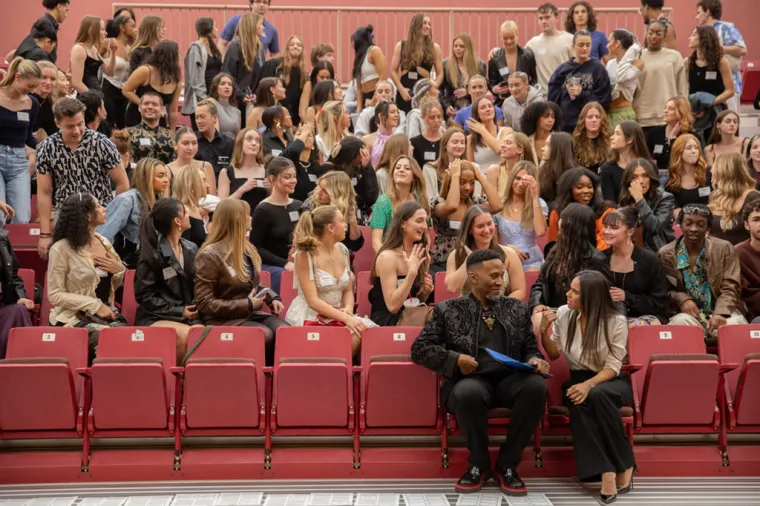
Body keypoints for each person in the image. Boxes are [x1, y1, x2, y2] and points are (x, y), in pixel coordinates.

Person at [412, 248, 549, 495]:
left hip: (510, 380)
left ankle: (508, 464)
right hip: (471, 380)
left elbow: (531, 347)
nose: (500, 281)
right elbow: (420, 349)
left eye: (502, 275)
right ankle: (479, 463)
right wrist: (455, 360)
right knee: (467, 393)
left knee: (537, 386)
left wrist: (535, 360)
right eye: (494, 276)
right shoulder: (448, 310)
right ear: (473, 278)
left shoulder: (517, 308)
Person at [540, 270, 634, 503]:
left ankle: (619, 466)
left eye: (574, 291)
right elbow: (553, 354)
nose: (567, 294)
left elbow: (613, 367)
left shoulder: (616, 321)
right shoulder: (564, 313)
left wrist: (588, 385)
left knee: (597, 395)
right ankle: (609, 470)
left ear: (591, 297)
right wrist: (543, 330)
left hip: (610, 381)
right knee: (577, 398)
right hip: (577, 379)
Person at [195, 199, 288, 365]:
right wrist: (247, 304)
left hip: (247, 313)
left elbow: (249, 284)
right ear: (236, 220)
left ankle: (274, 381)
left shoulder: (246, 249)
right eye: (247, 215)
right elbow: (204, 303)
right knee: (263, 335)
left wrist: (271, 297)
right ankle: (256, 379)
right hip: (222, 318)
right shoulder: (210, 255)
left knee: (285, 332)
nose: (251, 218)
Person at [35, 97, 130, 260]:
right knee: (68, 263)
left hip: (99, 212)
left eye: (80, 124)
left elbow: (122, 183)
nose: (77, 131)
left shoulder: (102, 144)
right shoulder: (46, 148)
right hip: (66, 213)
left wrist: (109, 212)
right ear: (57, 123)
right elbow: (44, 192)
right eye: (70, 126)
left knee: (99, 264)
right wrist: (44, 234)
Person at [47, 193, 126, 361]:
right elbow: (54, 295)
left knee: (130, 336)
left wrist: (119, 270)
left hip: (106, 313)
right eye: (98, 206)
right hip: (72, 317)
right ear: (88, 215)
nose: (104, 209)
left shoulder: (103, 241)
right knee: (107, 337)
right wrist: (93, 304)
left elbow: (113, 284)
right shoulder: (60, 249)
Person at [286, 206, 376, 351]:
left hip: (339, 313)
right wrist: (345, 318)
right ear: (331, 228)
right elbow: (313, 301)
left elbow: (347, 290)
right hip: (312, 314)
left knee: (367, 333)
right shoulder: (305, 255)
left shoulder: (342, 249)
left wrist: (347, 309)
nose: (345, 225)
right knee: (353, 336)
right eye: (342, 221)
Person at [659, 204, 747, 341]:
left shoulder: (724, 248)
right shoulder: (666, 254)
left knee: (734, 328)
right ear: (679, 225)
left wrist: (721, 313)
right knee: (679, 324)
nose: (693, 229)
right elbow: (664, 289)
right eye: (688, 224)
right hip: (689, 316)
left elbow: (731, 286)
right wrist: (682, 299)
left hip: (724, 312)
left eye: (700, 224)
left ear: (708, 228)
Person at [135, 198, 204, 363]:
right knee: (186, 335)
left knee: (202, 332)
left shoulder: (191, 247)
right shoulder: (152, 253)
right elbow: (144, 296)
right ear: (177, 221)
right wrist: (179, 310)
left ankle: (191, 379)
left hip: (186, 314)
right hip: (155, 316)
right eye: (186, 212)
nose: (190, 216)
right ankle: (177, 380)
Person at [530, 203, 607, 334]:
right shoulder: (554, 252)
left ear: (574, 231)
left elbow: (595, 299)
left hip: (578, 313)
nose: (559, 234)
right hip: (551, 309)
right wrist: (537, 303)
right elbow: (540, 283)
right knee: (537, 318)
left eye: (563, 230)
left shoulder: (597, 260)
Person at [369, 201, 434, 326]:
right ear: (403, 224)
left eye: (426, 221)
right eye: (419, 221)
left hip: (413, 315)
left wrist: (425, 292)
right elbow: (393, 306)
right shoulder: (387, 257)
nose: (425, 226)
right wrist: (412, 273)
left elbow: (415, 300)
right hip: (388, 319)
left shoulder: (422, 254)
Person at [96, 158, 169, 268]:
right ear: (146, 177)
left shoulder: (161, 203)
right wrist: (114, 261)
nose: (166, 180)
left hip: (153, 262)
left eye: (166, 175)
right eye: (160, 176)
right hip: (130, 263)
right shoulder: (128, 200)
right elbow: (104, 233)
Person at [430, 160, 501, 275]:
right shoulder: (438, 203)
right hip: (444, 262)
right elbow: (452, 206)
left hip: (473, 260)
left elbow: (497, 206)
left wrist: (480, 177)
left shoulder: (475, 203)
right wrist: (455, 175)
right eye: (462, 182)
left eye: (472, 183)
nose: (468, 187)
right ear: (451, 181)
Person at [601, 207, 669, 325]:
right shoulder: (600, 259)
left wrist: (626, 297)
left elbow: (659, 304)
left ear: (630, 231)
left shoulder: (649, 260)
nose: (606, 231)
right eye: (605, 226)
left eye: (613, 228)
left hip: (644, 316)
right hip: (609, 316)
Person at [445, 204, 525, 299]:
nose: (487, 230)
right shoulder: (455, 255)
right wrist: (469, 260)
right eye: (480, 226)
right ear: (470, 230)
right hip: (468, 309)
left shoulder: (509, 254)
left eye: (489, 223)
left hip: (499, 309)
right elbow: (452, 288)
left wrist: (500, 308)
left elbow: (519, 290)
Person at [250, 157, 301, 294]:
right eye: (287, 177)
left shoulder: (298, 205)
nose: (293, 181)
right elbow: (255, 248)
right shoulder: (263, 209)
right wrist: (284, 263)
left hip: (297, 261)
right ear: (272, 179)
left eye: (294, 176)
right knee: (286, 274)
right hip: (273, 265)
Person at [0, 58, 40, 226]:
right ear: (18, 76)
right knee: (0, 216)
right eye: (29, 86)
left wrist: (43, 147)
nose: (31, 90)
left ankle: (13, 253)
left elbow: (28, 137)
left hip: (18, 161)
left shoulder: (32, 103)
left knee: (21, 219)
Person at [548, 30, 611, 134]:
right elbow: (552, 100)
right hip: (566, 128)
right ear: (573, 46)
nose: (585, 48)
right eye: (581, 45)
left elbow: (604, 102)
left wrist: (582, 94)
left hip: (589, 128)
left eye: (588, 45)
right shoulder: (562, 70)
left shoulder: (598, 69)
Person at [634, 20, 687, 131]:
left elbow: (682, 89)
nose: (654, 36)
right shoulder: (637, 57)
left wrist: (683, 113)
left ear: (664, 36)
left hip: (668, 118)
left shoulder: (675, 56)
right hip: (641, 118)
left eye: (658, 33)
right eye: (650, 32)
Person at [494, 161, 548, 271]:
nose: (520, 184)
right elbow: (493, 243)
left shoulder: (538, 203)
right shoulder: (500, 205)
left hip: (533, 262)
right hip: (506, 260)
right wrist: (506, 249)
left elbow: (541, 231)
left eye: (525, 180)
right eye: (517, 178)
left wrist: (534, 197)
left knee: (533, 271)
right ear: (511, 179)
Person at [695, 0, 747, 113]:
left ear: (707, 12)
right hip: (708, 88)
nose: (696, 17)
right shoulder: (700, 31)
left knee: (728, 124)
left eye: (698, 13)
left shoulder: (726, 27)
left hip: (727, 87)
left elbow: (742, 49)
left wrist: (717, 48)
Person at [370, 155, 429, 251]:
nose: (401, 170)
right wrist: (387, 259)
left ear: (414, 176)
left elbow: (426, 234)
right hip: (389, 255)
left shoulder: (420, 201)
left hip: (414, 255)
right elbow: (376, 242)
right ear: (393, 175)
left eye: (407, 168)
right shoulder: (383, 202)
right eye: (398, 168)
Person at [618, 159, 675, 252]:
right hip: (630, 252)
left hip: (659, 253)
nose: (640, 181)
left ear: (651, 178)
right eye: (634, 177)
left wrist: (639, 199)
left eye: (645, 176)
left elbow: (655, 227)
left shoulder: (665, 198)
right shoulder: (626, 199)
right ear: (628, 181)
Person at [390, 13, 443, 114]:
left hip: (425, 93)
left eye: (429, 24)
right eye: (424, 23)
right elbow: (393, 71)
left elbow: (440, 74)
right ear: (416, 25)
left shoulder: (435, 47)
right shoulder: (401, 46)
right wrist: (401, 89)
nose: (428, 26)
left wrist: (433, 86)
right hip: (405, 92)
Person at [546, 168, 611, 250]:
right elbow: (553, 247)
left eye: (590, 187)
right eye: (579, 187)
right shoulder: (556, 214)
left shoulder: (606, 212)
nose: (586, 191)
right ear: (569, 190)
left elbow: (605, 247)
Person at [320, 136, 379, 226]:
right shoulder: (329, 169)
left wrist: (367, 167)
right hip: (334, 218)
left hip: (355, 220)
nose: (363, 158)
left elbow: (370, 198)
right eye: (361, 154)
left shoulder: (359, 172)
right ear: (352, 155)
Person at [123, 40, 181, 130]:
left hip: (158, 120)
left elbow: (172, 110)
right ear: (170, 57)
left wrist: (172, 134)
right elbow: (126, 90)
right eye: (178, 55)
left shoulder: (176, 80)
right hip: (137, 117)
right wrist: (144, 105)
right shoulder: (145, 71)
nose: (180, 57)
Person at [302, 171, 365, 254]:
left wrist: (352, 221)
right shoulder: (310, 205)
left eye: (325, 190)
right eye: (319, 187)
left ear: (337, 194)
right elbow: (308, 240)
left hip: (341, 256)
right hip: (316, 254)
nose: (318, 192)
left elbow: (355, 246)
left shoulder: (349, 207)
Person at [708, 153, 760, 245]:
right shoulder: (714, 196)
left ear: (724, 172)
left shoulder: (753, 197)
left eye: (715, 167)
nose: (711, 171)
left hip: (742, 256)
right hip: (714, 254)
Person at [0, 225, 34, 358]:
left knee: (18, 310)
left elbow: (13, 274)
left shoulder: (2, 239)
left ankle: (20, 368)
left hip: (2, 304)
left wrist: (20, 296)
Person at [182, 17, 222, 129]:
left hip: (214, 98)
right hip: (201, 101)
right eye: (215, 26)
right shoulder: (196, 48)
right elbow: (195, 78)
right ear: (208, 28)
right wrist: (204, 99)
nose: (217, 29)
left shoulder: (213, 49)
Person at [525, 3, 574, 95]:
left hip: (564, 94)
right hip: (542, 96)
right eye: (540, 18)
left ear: (556, 18)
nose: (544, 21)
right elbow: (517, 54)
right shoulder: (532, 43)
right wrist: (496, 51)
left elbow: (577, 66)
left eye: (547, 17)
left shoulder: (570, 39)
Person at [222, 13, 264, 118]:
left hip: (253, 101)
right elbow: (227, 74)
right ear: (252, 26)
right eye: (260, 24)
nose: (263, 27)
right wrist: (241, 95)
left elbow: (260, 77)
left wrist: (257, 95)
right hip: (236, 102)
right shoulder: (235, 46)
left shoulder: (259, 48)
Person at [218, 127, 268, 215]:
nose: (254, 143)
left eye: (257, 140)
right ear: (240, 143)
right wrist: (241, 190)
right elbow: (221, 207)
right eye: (249, 139)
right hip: (235, 221)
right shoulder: (227, 172)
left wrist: (272, 190)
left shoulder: (266, 170)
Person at [600, 121, 652, 203]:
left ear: (630, 139)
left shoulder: (650, 166)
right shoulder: (607, 168)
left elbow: (655, 196)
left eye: (617, 134)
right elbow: (609, 202)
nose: (611, 137)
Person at [685, 26, 735, 109]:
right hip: (694, 108)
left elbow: (730, 91)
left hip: (715, 107)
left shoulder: (721, 62)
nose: (690, 38)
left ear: (705, 38)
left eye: (694, 35)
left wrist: (711, 102)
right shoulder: (688, 62)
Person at [487, 21, 537, 102]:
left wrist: (527, 91)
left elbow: (534, 78)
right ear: (501, 37)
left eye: (511, 37)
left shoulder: (528, 55)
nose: (509, 41)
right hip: (503, 102)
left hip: (525, 101)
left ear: (517, 35)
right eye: (505, 38)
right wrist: (494, 89)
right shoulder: (495, 58)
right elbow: (490, 82)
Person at [261, 35, 306, 125]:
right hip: (272, 113)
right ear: (287, 48)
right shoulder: (275, 64)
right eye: (292, 44)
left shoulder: (303, 74)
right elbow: (264, 88)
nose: (295, 46)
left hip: (291, 119)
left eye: (299, 45)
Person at [102, 13, 136, 129]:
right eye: (132, 26)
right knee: (108, 124)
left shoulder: (131, 48)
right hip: (108, 89)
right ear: (122, 27)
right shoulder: (108, 43)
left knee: (124, 125)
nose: (135, 29)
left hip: (123, 92)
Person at [665, 134, 712, 217]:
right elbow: (677, 214)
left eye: (696, 148)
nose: (693, 151)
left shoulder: (710, 172)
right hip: (686, 225)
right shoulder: (672, 180)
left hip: (709, 220)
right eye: (689, 148)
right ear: (678, 151)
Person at [645, 96, 696, 171]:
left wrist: (673, 138)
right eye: (665, 108)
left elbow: (681, 160)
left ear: (681, 112)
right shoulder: (655, 133)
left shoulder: (691, 136)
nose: (665, 111)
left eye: (671, 109)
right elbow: (646, 157)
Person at [606, 29, 643, 130]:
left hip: (624, 113)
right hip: (608, 113)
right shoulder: (610, 63)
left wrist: (632, 50)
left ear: (617, 43)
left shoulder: (637, 62)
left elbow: (621, 77)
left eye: (609, 42)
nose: (607, 45)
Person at [441, 34, 486, 117]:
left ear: (468, 48)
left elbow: (484, 89)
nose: (457, 49)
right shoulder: (445, 65)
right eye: (455, 46)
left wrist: (468, 91)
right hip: (453, 108)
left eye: (461, 46)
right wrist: (446, 106)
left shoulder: (480, 65)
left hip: (474, 107)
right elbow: (439, 90)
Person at [13, 0, 69, 65]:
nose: (66, 15)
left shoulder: (45, 23)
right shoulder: (45, 25)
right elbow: (44, 61)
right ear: (59, 7)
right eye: (66, 10)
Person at [126, 93, 175, 165]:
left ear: (162, 110)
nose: (150, 107)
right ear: (139, 108)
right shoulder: (127, 134)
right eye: (146, 104)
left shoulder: (171, 136)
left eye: (154, 104)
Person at [69, 16, 115, 94]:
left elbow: (110, 72)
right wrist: (95, 100)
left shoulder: (93, 48)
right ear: (92, 30)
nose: (106, 33)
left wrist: (113, 51)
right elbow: (76, 83)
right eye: (102, 29)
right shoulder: (79, 49)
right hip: (86, 97)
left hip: (95, 95)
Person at [168, 126, 217, 196]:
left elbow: (212, 198)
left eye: (194, 143)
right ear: (175, 145)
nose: (191, 148)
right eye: (185, 143)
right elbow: (165, 201)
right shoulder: (167, 169)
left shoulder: (206, 166)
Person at [194, 99, 235, 179]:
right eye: (196, 117)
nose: (199, 121)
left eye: (202, 117)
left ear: (214, 118)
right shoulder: (192, 142)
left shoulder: (229, 143)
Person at [423, 127, 466, 200]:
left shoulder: (473, 167)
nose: (460, 146)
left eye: (462, 142)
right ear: (445, 145)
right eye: (455, 142)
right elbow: (429, 200)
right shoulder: (430, 169)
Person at [350, 25, 386, 113]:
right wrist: (359, 108)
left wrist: (374, 99)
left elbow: (382, 76)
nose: (351, 44)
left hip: (376, 94)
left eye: (352, 41)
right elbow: (359, 87)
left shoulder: (374, 51)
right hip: (364, 97)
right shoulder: (358, 58)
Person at [172, 166, 209, 249]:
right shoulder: (183, 212)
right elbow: (182, 247)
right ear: (191, 185)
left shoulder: (195, 209)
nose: (208, 185)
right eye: (203, 180)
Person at [536, 132, 576, 207]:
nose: (542, 148)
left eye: (547, 145)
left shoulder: (574, 176)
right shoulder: (543, 171)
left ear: (558, 148)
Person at [465, 97, 507, 170]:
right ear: (477, 114)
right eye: (483, 107)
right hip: (480, 179)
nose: (488, 109)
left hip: (501, 177)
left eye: (490, 106)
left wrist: (482, 131)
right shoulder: (470, 139)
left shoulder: (506, 131)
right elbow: (471, 167)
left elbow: (500, 150)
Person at [736, 199, 760, 323]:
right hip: (753, 315)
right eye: (756, 220)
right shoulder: (737, 253)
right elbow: (742, 294)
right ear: (746, 224)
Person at [573, 102, 610, 174]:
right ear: (583, 120)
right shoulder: (575, 144)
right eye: (590, 117)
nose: (594, 120)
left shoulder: (609, 142)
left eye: (597, 117)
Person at [363, 100, 400, 167]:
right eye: (392, 112)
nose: (396, 115)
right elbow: (364, 166)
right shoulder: (367, 140)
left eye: (397, 112)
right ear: (381, 116)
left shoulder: (400, 140)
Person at [410, 100, 444, 170]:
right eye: (432, 117)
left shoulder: (447, 140)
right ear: (423, 118)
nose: (436, 121)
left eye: (439, 117)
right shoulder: (413, 142)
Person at [207, 74, 242, 139]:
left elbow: (238, 137)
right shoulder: (211, 102)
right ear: (215, 87)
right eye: (222, 84)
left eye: (230, 84)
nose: (227, 87)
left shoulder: (237, 112)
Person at [31, 60, 59, 139]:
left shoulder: (51, 104)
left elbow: (54, 133)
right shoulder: (25, 98)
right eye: (44, 77)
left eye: (52, 79)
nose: (48, 82)